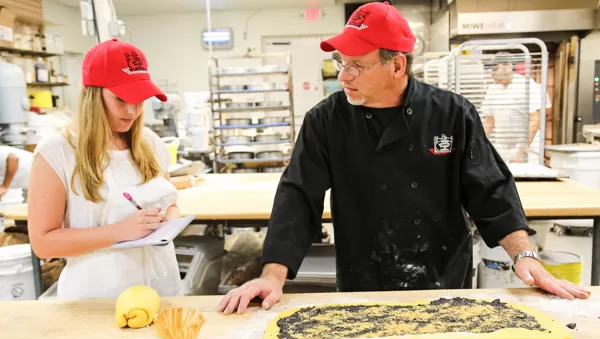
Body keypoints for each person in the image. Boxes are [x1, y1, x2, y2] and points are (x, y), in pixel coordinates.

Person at [218, 2, 591, 315]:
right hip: (362, 276)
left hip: (442, 276)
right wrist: (272, 274)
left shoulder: (450, 113)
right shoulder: (326, 120)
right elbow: (298, 195)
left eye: (356, 65)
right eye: (340, 61)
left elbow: (490, 189)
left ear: (396, 65)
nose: (342, 75)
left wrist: (524, 254)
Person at [27, 38, 183, 300]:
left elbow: (171, 204)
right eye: (121, 99)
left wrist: (169, 219)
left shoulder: (150, 143)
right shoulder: (57, 152)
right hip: (96, 299)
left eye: (140, 100)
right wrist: (119, 232)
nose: (132, 111)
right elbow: (43, 243)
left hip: (162, 290)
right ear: (91, 94)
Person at [481, 52, 551, 163]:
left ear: (508, 66)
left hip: (527, 146)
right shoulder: (492, 90)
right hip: (502, 147)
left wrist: (522, 150)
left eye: (495, 69)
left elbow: (535, 119)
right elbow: (489, 122)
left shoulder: (527, 85)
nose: (492, 74)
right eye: (491, 71)